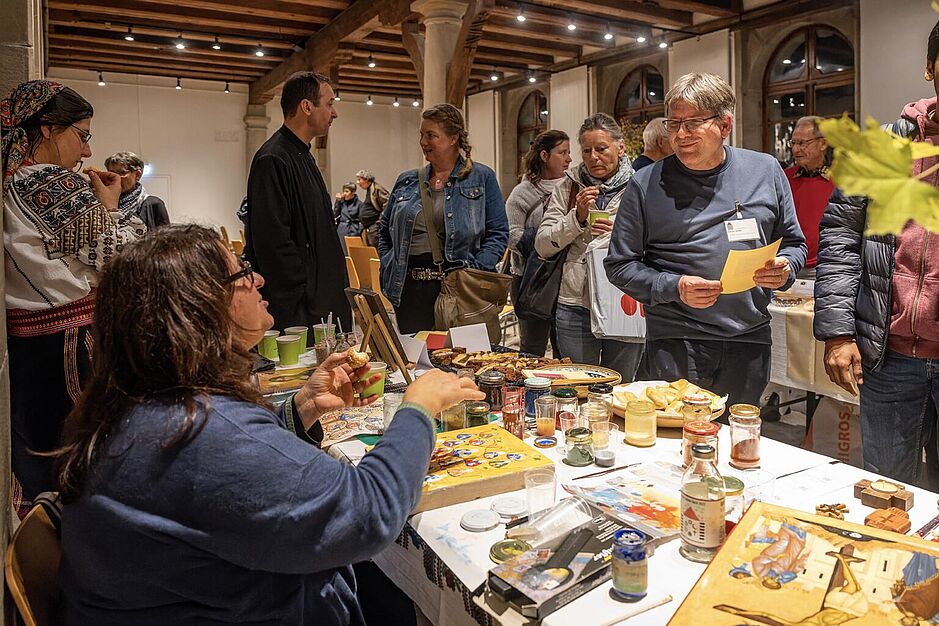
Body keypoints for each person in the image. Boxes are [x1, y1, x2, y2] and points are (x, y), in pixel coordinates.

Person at [54, 224, 485, 625]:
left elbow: (238, 475)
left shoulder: (143, 407)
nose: (257, 279)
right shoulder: (197, 433)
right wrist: (418, 409)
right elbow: (370, 513)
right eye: (241, 272)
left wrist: (300, 411)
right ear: (200, 307)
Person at [605, 72, 806, 408]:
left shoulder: (766, 171)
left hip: (749, 337)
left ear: (724, 126)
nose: (680, 135)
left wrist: (786, 269)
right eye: (673, 124)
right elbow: (619, 265)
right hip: (677, 338)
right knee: (677, 446)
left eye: (693, 123)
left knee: (738, 442)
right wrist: (675, 285)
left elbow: (795, 243)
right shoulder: (645, 184)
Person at [1, 80, 145, 514]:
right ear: (47, 129)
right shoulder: (49, 182)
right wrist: (116, 209)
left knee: (46, 452)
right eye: (81, 136)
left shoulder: (15, 180)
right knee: (81, 453)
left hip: (37, 343)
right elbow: (123, 257)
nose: (85, 153)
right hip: (66, 339)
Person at [814, 19, 939, 487]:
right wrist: (838, 333)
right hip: (889, 359)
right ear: (929, 69)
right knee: (887, 493)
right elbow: (840, 241)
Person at [378, 103, 508, 334]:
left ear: (453, 138)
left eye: (431, 135)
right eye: (421, 135)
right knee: (418, 363)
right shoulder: (406, 180)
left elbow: (498, 233)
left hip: (460, 291)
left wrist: (474, 271)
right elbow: (384, 230)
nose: (423, 142)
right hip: (409, 292)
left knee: (461, 361)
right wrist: (390, 261)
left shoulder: (481, 177)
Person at [535, 113, 642, 380]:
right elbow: (543, 245)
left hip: (624, 300)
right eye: (586, 150)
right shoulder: (568, 187)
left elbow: (659, 240)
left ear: (621, 146)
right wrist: (577, 218)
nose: (593, 156)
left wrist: (620, 231)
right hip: (574, 304)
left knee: (620, 386)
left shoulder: (641, 186)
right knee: (579, 385)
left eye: (601, 148)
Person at [245, 71, 351, 331]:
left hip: (318, 300)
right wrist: (304, 289)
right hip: (301, 310)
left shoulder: (302, 155)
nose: (334, 113)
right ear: (306, 106)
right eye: (329, 103)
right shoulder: (273, 159)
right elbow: (272, 242)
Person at [506, 129, 571, 356]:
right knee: (532, 350)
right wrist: (545, 244)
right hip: (531, 280)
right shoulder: (522, 193)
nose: (569, 159)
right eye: (562, 153)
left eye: (569, 153)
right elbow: (512, 234)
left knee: (566, 349)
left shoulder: (573, 188)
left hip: (566, 281)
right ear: (544, 156)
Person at [784, 116, 833, 278]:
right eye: (794, 143)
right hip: (790, 264)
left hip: (829, 266)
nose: (796, 149)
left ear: (823, 144)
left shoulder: (842, 180)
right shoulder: (785, 178)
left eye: (803, 143)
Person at [104, 151, 170, 230]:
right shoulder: (103, 203)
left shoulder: (154, 204)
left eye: (122, 173)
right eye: (112, 173)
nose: (116, 177)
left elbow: (165, 238)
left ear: (137, 175)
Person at [356, 169, 388, 247]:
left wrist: (381, 219)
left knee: (376, 250)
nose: (358, 182)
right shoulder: (369, 189)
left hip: (375, 227)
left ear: (366, 179)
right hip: (368, 227)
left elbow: (387, 203)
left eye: (359, 179)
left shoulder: (377, 189)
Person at [333, 181, 363, 252]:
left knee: (353, 252)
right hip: (342, 229)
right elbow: (335, 214)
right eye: (343, 191)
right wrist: (337, 202)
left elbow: (362, 220)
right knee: (342, 251)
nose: (344, 194)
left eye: (347, 191)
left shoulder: (359, 204)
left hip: (353, 230)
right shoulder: (341, 202)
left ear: (353, 192)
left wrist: (358, 231)